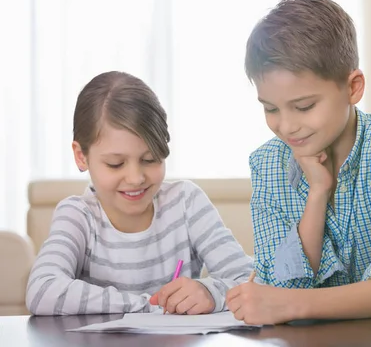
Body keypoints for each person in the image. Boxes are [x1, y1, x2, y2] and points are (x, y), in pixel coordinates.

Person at [225, 0, 371, 325]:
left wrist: (291, 305)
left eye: (303, 107)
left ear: (353, 88)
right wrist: (317, 193)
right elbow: (281, 282)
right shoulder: (268, 164)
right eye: (270, 108)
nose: (285, 126)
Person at [26, 71, 253, 315]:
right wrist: (146, 305)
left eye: (150, 159)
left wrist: (210, 292)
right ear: (81, 156)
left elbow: (252, 281)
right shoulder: (78, 215)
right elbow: (42, 290)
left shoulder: (186, 203)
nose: (136, 178)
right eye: (115, 164)